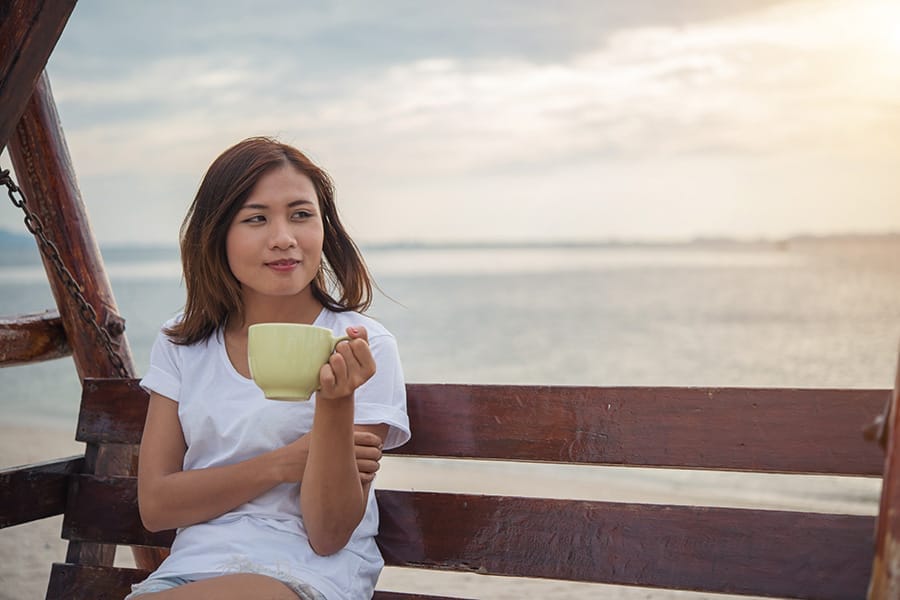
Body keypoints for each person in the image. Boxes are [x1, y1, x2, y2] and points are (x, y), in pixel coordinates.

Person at [126, 137, 410, 599]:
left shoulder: (362, 344)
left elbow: (328, 533)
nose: (284, 238)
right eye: (256, 219)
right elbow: (157, 507)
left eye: (301, 215)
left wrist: (335, 403)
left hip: (307, 575)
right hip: (190, 571)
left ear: (324, 229)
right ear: (217, 234)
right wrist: (283, 463)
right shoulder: (182, 341)